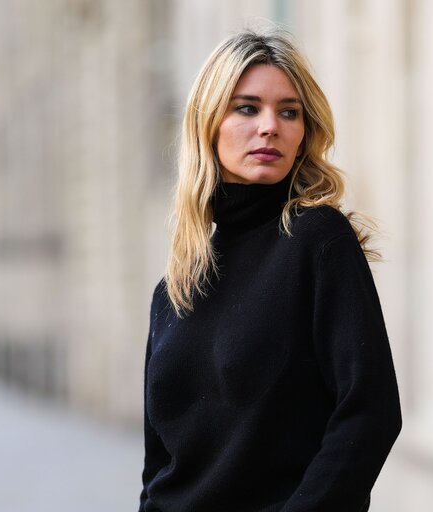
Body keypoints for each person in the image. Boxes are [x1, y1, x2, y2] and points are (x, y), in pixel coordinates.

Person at [139, 28, 402, 512]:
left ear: (304, 133)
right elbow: (159, 465)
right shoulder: (172, 290)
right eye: (247, 107)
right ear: (208, 122)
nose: (269, 127)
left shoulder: (318, 241)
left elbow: (371, 413)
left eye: (289, 112)